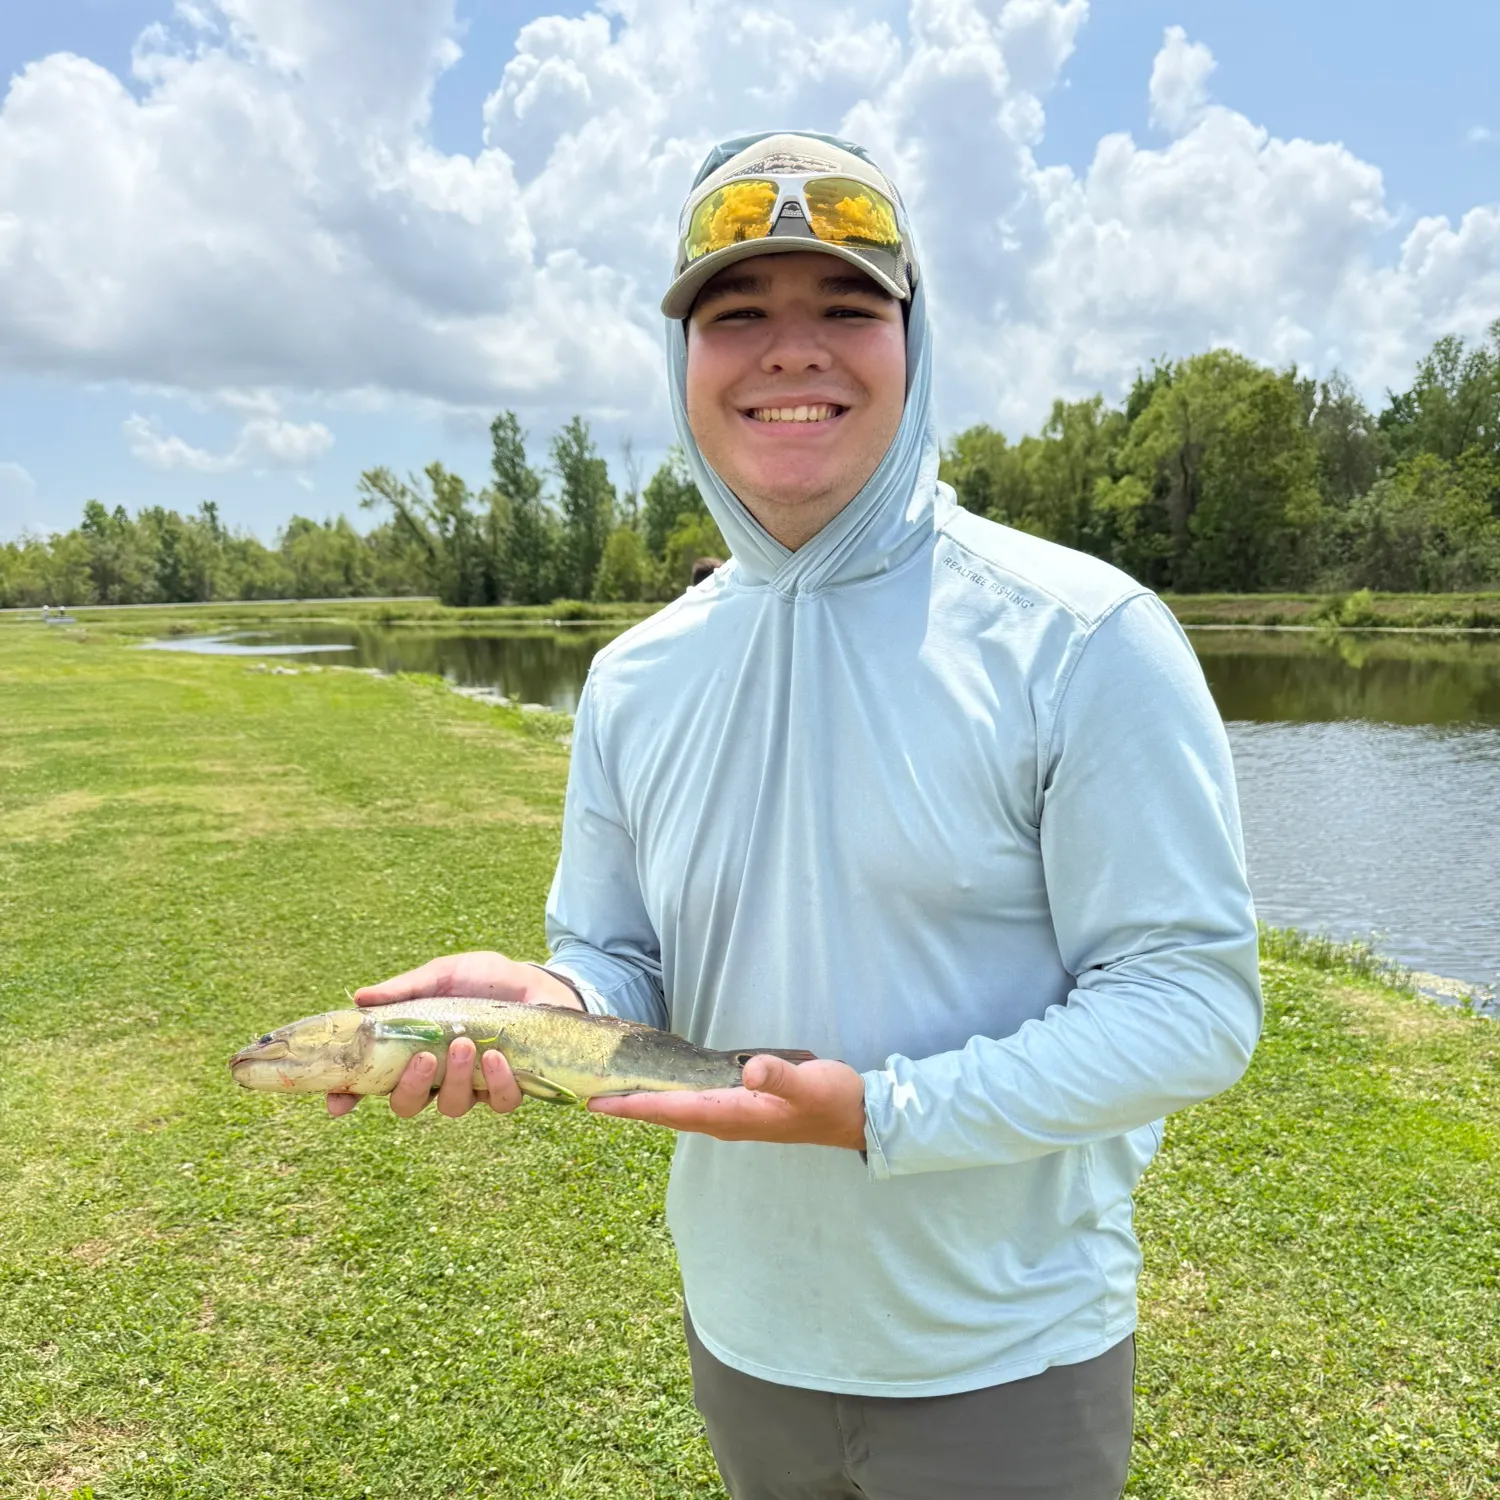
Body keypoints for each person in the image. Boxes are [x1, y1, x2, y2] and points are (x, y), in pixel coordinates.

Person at [328, 131, 1262, 1499]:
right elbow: (622, 956)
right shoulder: (635, 676)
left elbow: (1190, 1004)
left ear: (914, 343)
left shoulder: (1082, 639)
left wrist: (883, 1112)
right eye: (738, 315)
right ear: (684, 364)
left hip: (1005, 1354)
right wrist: (541, 996)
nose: (791, 352)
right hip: (746, 1333)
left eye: (844, 307)